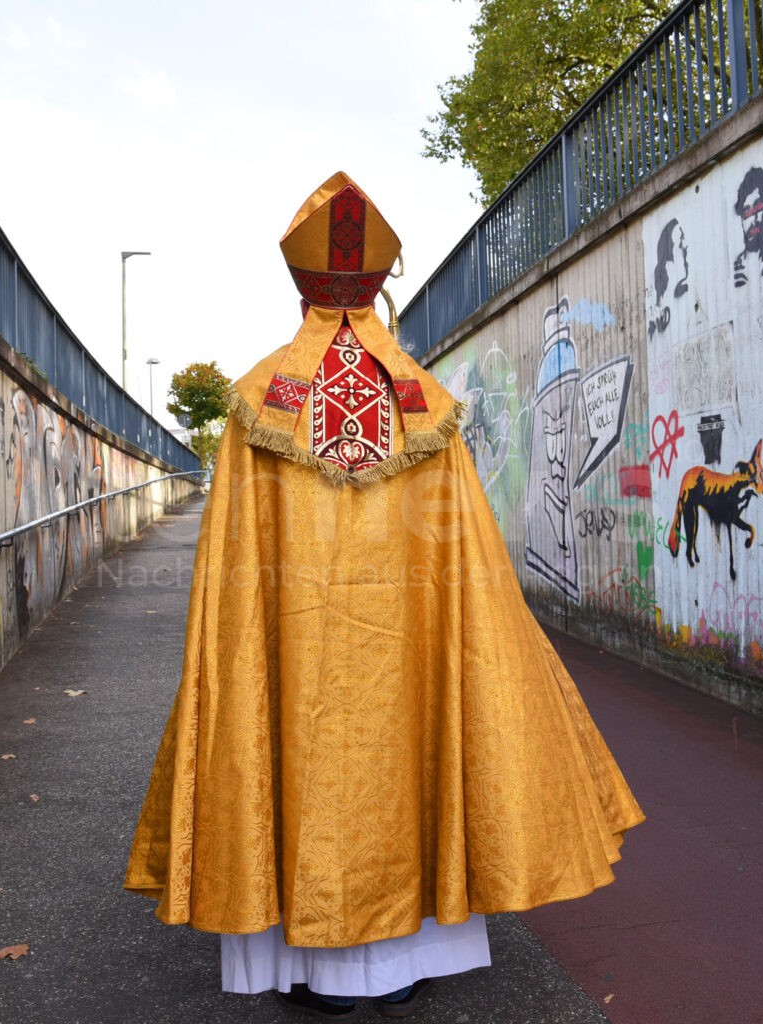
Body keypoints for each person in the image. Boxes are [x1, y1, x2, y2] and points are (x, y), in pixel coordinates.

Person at [124, 172, 644, 1018]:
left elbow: (231, 579)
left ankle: (304, 969)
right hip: (407, 665)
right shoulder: (427, 408)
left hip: (294, 652)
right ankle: (404, 959)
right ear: (376, 284)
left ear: (303, 284)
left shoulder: (261, 404)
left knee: (295, 744)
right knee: (409, 750)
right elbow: (468, 574)